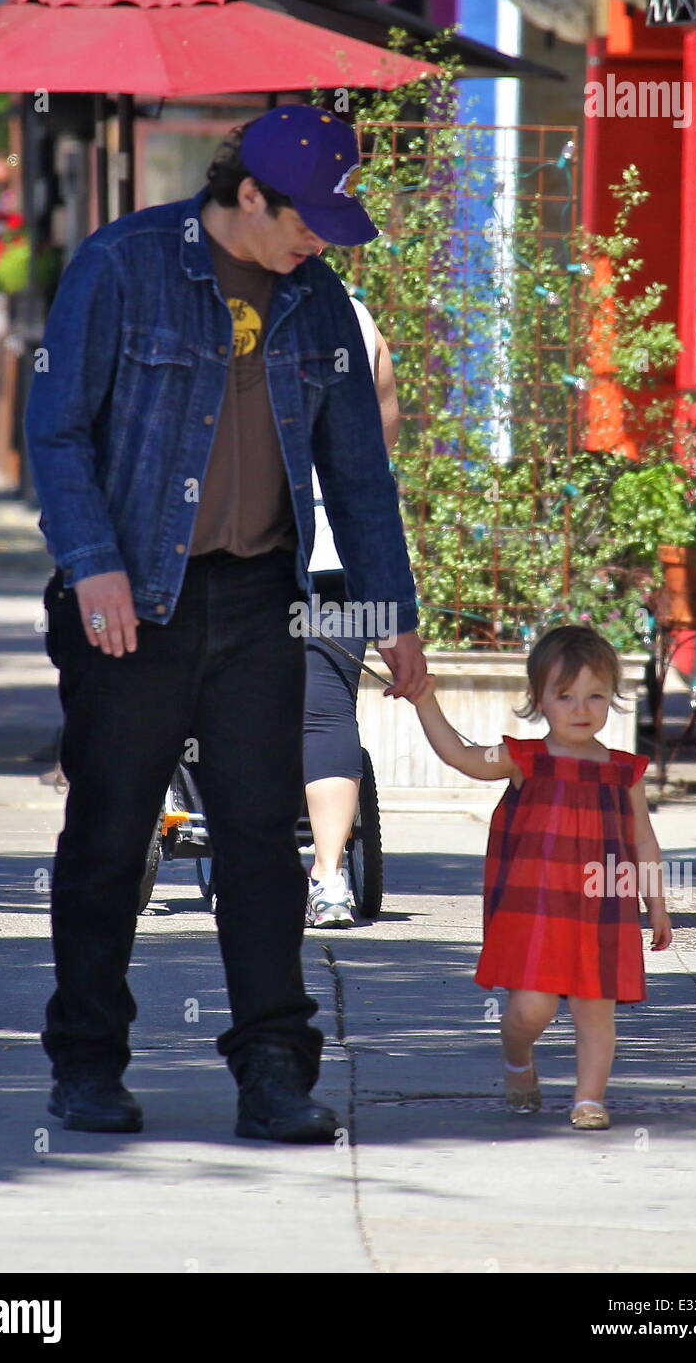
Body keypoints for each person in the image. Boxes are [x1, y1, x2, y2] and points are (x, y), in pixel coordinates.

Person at [26, 103, 427, 1143]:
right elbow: (58, 430)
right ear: (247, 195)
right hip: (131, 598)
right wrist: (93, 564)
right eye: (306, 220)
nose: (316, 243)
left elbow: (358, 474)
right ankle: (86, 1063)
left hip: (258, 597)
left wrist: (392, 614)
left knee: (259, 837)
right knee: (112, 833)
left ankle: (273, 1072)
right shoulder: (123, 267)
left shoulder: (319, 301)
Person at [412, 625, 672, 1130]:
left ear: (612, 698)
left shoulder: (625, 772)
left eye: (595, 695)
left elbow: (643, 841)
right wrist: (425, 701)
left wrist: (656, 902)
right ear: (538, 700)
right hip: (535, 910)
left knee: (596, 1011)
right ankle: (517, 1058)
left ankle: (588, 1099)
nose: (582, 708)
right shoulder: (523, 759)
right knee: (531, 1009)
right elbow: (461, 757)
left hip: (602, 912)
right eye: (566, 695)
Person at [304, 293, 399, 928]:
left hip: (237, 552)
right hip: (341, 550)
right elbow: (378, 442)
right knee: (328, 709)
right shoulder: (356, 319)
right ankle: (330, 874)